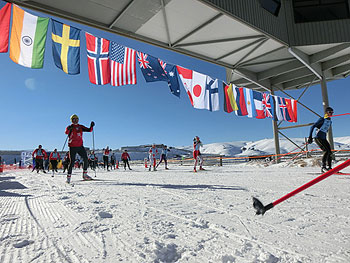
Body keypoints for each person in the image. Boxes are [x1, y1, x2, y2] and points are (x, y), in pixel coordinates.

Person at [65, 114, 95, 183]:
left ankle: (85, 174)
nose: (75, 120)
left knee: (86, 158)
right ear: (72, 120)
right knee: (72, 162)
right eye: (74, 119)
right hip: (72, 147)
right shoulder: (70, 127)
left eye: (76, 119)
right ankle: (68, 177)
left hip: (80, 146)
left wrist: (91, 126)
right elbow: (66, 132)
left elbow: (89, 130)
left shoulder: (80, 126)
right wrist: (69, 130)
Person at [308, 106, 334, 173]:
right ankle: (323, 167)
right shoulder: (322, 119)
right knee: (326, 151)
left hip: (324, 138)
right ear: (326, 112)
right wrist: (310, 137)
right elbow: (312, 126)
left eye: (332, 112)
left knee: (330, 152)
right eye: (330, 112)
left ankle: (330, 167)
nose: (331, 113)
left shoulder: (330, 121)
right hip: (318, 138)